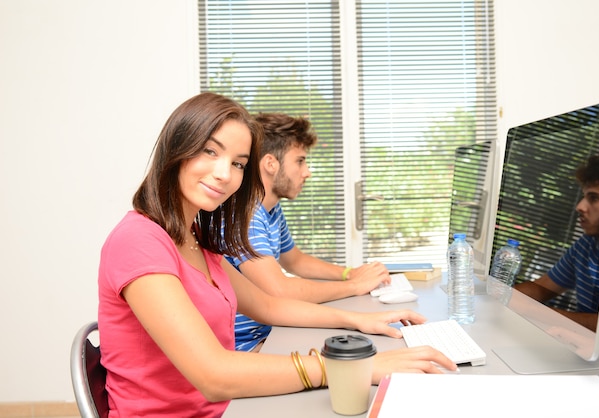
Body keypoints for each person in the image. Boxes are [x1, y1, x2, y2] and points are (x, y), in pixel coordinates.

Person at [97, 92, 456, 417]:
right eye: (210, 151)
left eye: (238, 163)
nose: (224, 173)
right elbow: (213, 375)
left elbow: (268, 306)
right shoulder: (139, 241)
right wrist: (350, 366)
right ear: (176, 149)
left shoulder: (195, 240)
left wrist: (356, 322)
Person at [225, 112, 391, 352]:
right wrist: (354, 286)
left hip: (272, 332)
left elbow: (296, 261)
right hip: (250, 345)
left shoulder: (269, 208)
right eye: (300, 161)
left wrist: (350, 273)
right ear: (271, 163)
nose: (307, 172)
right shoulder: (243, 215)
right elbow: (279, 290)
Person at [515, 154, 599, 330]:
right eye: (584, 196)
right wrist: (498, 297)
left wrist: (539, 313)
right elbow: (541, 288)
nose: (580, 206)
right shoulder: (587, 245)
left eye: (594, 198)